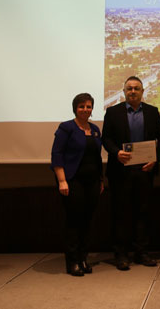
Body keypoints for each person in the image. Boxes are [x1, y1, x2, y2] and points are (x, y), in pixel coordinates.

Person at [102, 76, 160, 270]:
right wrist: (116, 153)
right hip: (120, 171)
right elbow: (106, 139)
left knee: (143, 213)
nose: (133, 91)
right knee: (120, 214)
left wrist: (155, 158)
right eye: (129, 88)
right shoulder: (112, 112)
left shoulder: (152, 111)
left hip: (145, 171)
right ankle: (121, 254)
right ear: (124, 92)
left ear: (142, 91)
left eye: (136, 88)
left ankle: (142, 252)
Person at [50, 93, 104, 276]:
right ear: (75, 108)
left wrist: (100, 180)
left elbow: (97, 158)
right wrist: (62, 180)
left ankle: (83, 258)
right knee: (74, 221)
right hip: (72, 182)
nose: (85, 109)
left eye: (88, 106)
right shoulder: (66, 128)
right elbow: (57, 154)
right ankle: (72, 261)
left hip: (93, 182)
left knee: (88, 222)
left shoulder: (95, 129)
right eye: (81, 106)